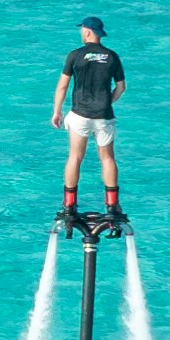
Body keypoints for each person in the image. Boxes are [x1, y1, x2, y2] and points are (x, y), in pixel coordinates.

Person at [54, 16, 126, 228]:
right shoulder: (112, 56)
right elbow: (121, 87)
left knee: (75, 157)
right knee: (107, 158)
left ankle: (69, 205)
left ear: (87, 32)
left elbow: (62, 87)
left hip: (80, 115)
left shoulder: (75, 55)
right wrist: (106, 102)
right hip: (103, 116)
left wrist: (57, 111)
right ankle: (112, 207)